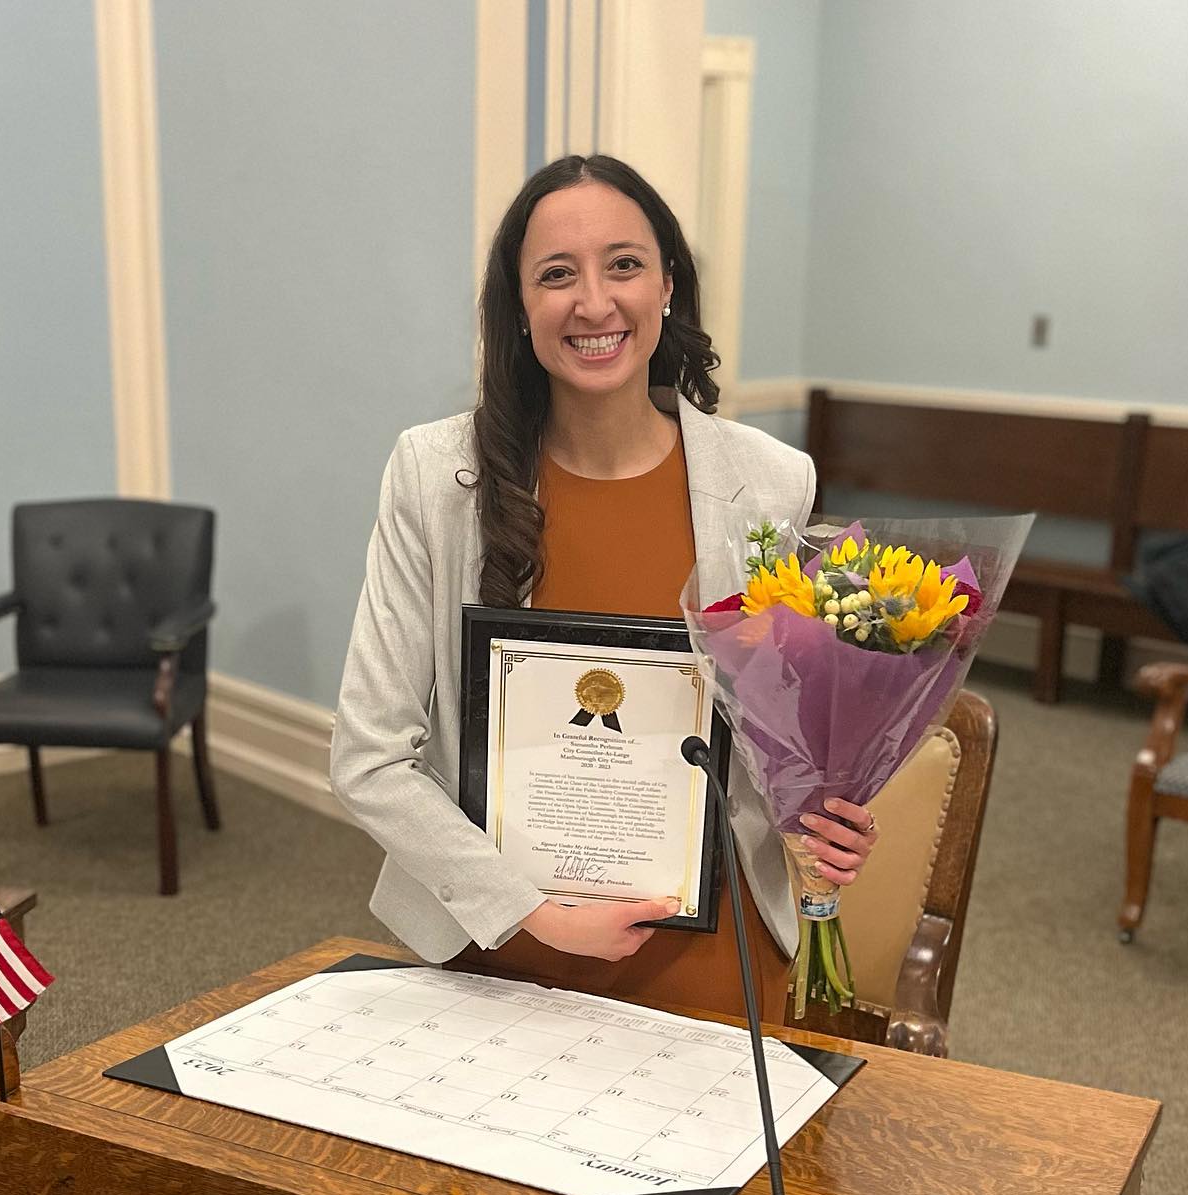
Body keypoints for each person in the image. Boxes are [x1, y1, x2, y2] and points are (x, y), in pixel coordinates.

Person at [330, 154, 877, 1020]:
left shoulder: (773, 483)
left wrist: (822, 818)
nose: (593, 302)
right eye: (557, 275)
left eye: (624, 264)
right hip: (497, 948)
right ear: (518, 310)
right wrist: (537, 915)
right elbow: (369, 760)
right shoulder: (434, 477)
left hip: (708, 954)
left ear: (667, 285)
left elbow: (781, 743)